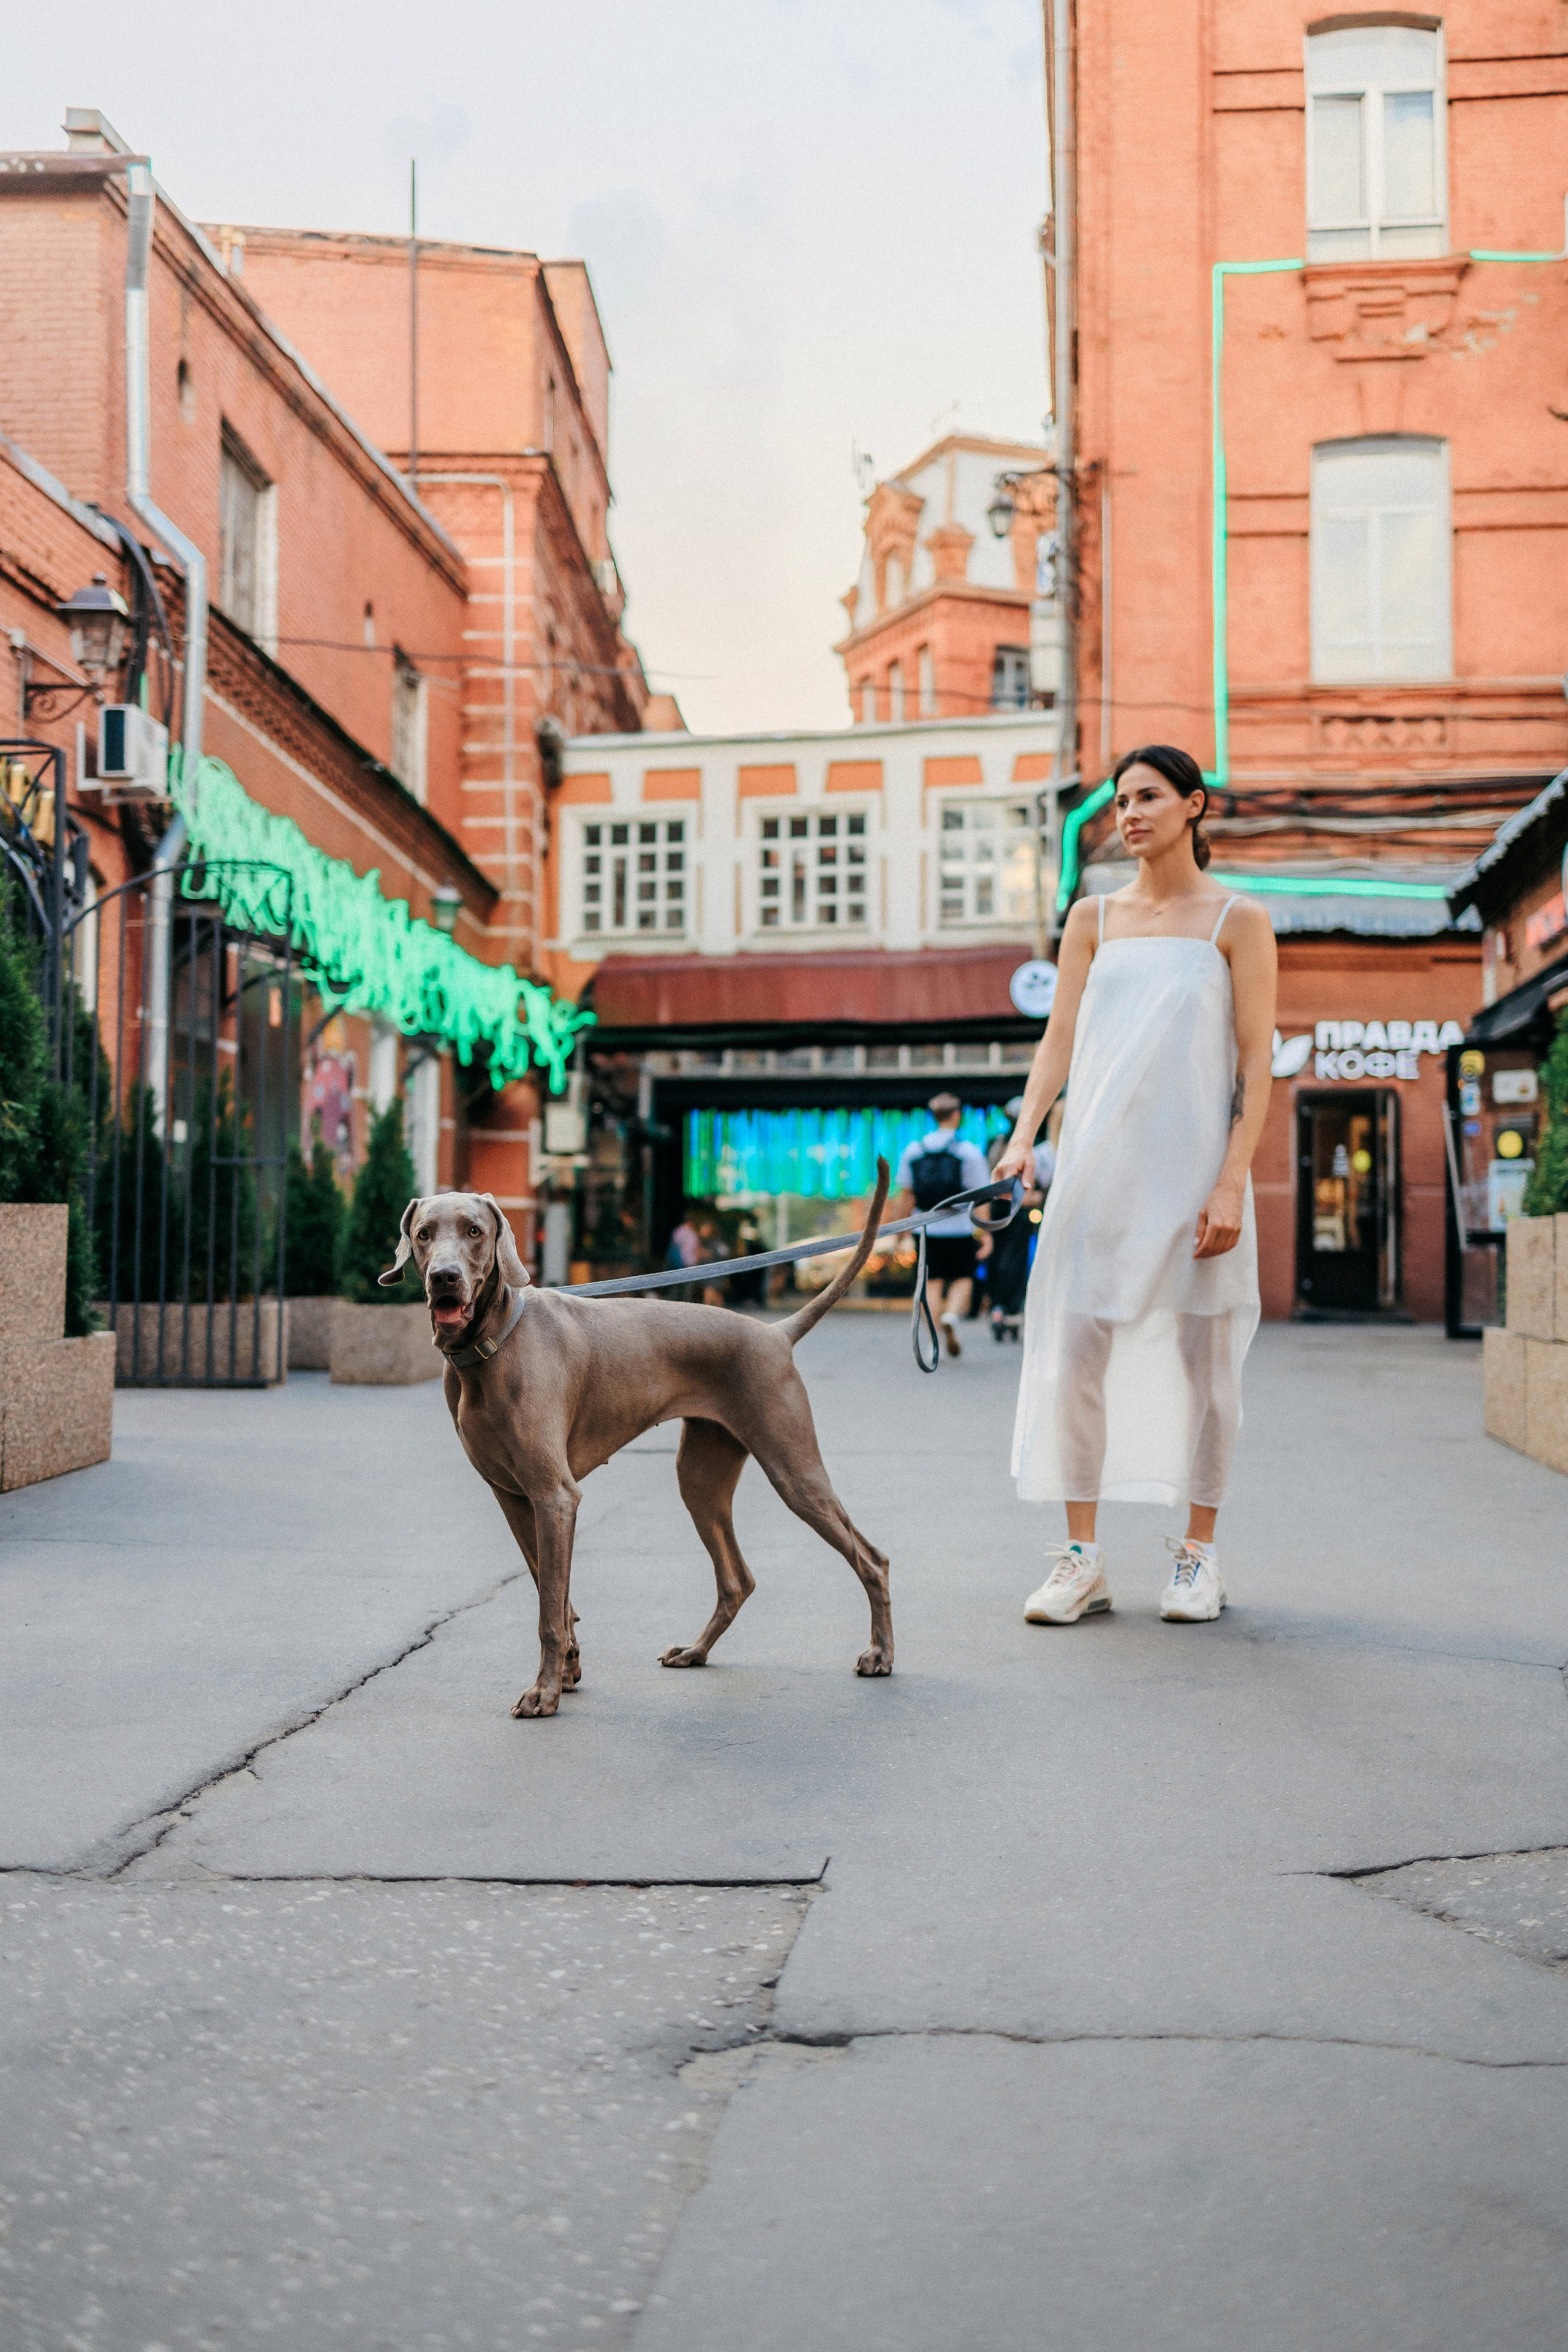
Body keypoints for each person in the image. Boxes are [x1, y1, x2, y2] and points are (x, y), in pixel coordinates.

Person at [993, 744, 1276, 1624]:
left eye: (1148, 797)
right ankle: (1082, 1559)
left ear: (1194, 805)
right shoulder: (1092, 918)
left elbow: (1256, 1061)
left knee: (1206, 1364)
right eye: (1121, 801)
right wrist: (1023, 1138)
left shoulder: (1238, 920)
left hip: (1194, 1176)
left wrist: (1231, 1182)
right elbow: (1058, 1042)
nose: (1129, 814)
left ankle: (1199, 1557)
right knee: (1075, 1354)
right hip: (1097, 1173)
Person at [894, 1093, 992, 1358]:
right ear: (957, 1115)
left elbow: (906, 1196)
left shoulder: (914, 1151)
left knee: (930, 1284)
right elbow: (981, 1196)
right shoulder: (968, 1152)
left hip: (925, 1227)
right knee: (963, 1278)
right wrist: (985, 1233)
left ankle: (933, 1339)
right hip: (960, 1227)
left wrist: (901, 1230)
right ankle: (952, 1316)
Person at [981, 1098, 1054, 1338]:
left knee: (997, 1258)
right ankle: (1010, 1309)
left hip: (995, 1207)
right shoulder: (1035, 1146)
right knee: (1015, 1259)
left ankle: (997, 1307)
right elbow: (1037, 1182)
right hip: (1018, 1211)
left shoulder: (996, 1143)